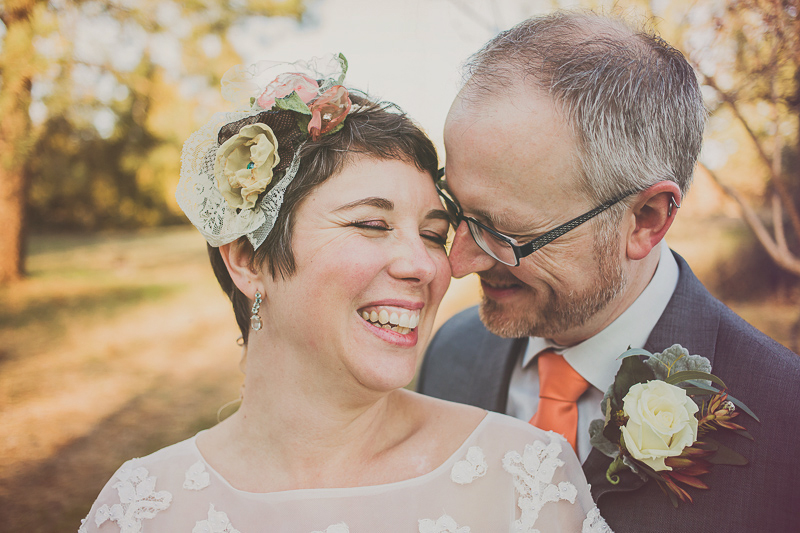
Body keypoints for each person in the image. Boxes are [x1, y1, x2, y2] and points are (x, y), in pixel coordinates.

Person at [79, 55, 611, 533]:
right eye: (371, 224)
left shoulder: (523, 475)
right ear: (247, 259)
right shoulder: (143, 507)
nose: (425, 265)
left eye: (433, 234)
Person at [417, 11, 800, 532]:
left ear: (647, 219)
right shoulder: (451, 353)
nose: (458, 263)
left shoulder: (786, 418)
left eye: (505, 233)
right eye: (455, 209)